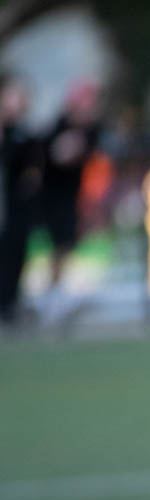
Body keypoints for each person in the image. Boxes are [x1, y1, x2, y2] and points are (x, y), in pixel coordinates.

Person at [39, 80, 101, 319]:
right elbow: (51, 154)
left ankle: (58, 292)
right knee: (59, 244)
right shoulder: (58, 126)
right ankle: (51, 295)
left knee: (68, 244)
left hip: (77, 196)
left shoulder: (92, 130)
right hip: (54, 196)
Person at [0, 79, 44, 328]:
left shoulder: (26, 133)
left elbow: (33, 167)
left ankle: (9, 304)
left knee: (14, 254)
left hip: (16, 209)